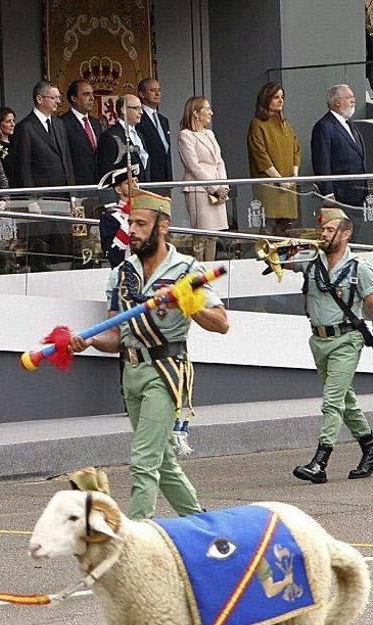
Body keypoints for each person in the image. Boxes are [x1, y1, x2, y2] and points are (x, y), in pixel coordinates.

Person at [70, 190, 230, 519]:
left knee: (143, 462)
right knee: (164, 464)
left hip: (166, 371)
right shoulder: (121, 274)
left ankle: (138, 536)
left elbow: (222, 323)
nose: (133, 231)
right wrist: (88, 342)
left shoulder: (186, 269)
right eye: (131, 223)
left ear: (163, 227)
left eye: (141, 224)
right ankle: (203, 525)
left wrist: (188, 302)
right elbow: (116, 336)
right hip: (131, 373)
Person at [290, 208, 373, 484]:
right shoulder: (312, 261)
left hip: (347, 340)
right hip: (319, 342)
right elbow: (280, 262)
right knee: (346, 399)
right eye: (322, 229)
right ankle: (372, 451)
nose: (323, 234)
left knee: (332, 401)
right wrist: (284, 250)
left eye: (330, 229)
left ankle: (320, 462)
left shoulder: (360, 268)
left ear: (345, 234)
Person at [177, 96, 230, 262]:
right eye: (207, 109)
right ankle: (198, 272)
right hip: (199, 189)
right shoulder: (186, 136)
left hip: (217, 187)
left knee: (213, 235)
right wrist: (214, 187)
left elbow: (219, 161)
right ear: (195, 113)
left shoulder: (210, 134)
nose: (211, 113)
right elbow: (193, 166)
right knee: (201, 236)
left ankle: (210, 271)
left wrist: (224, 186)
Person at [247, 82, 301, 237]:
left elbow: (296, 149)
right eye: (276, 97)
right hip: (270, 186)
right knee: (269, 228)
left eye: (282, 97)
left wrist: (295, 175)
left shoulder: (285, 124)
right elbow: (260, 155)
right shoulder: (258, 124)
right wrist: (280, 179)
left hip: (289, 185)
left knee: (288, 230)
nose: (281, 100)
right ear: (266, 99)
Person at [7, 80, 74, 190]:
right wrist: (31, 201)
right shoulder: (25, 128)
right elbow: (23, 169)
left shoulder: (59, 124)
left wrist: (73, 194)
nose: (58, 102)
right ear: (40, 99)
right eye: (54, 98)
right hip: (42, 197)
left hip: (65, 195)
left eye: (59, 97)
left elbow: (67, 161)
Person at [311, 85, 368, 207]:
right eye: (348, 97)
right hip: (339, 195)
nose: (353, 100)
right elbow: (322, 162)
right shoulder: (324, 126)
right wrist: (328, 193)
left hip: (358, 193)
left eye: (353, 97)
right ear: (336, 102)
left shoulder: (350, 124)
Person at [96, 95, 149, 184]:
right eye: (136, 108)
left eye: (141, 108)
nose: (141, 112)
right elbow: (106, 172)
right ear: (123, 109)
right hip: (122, 193)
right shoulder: (110, 136)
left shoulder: (139, 135)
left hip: (141, 192)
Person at [61, 78, 104, 187]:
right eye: (86, 94)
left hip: (99, 184)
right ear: (74, 98)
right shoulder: (62, 123)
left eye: (92, 94)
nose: (92, 98)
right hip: (77, 186)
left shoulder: (96, 123)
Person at [98, 167, 139, 269]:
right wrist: (127, 218)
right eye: (129, 182)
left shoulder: (145, 212)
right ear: (118, 189)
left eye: (136, 181)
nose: (135, 185)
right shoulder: (110, 218)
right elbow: (114, 255)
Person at [135, 78, 173, 182]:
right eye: (152, 90)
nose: (157, 94)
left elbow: (165, 150)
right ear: (142, 94)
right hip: (148, 177)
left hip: (164, 177)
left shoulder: (163, 120)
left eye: (159, 90)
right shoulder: (138, 118)